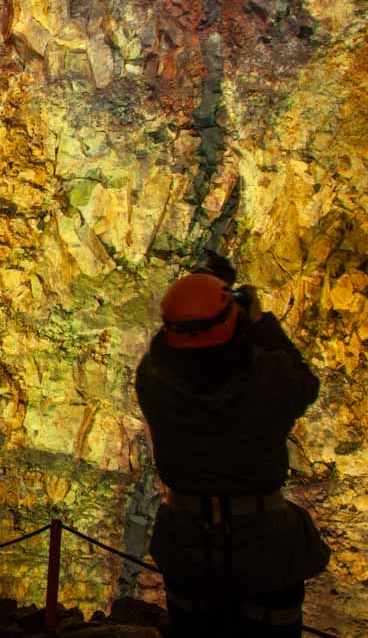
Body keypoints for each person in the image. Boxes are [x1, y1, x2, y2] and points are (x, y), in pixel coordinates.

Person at [135, 258, 330, 637]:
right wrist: (258, 324)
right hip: (265, 544)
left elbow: (176, 351)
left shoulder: (152, 380)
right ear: (230, 323)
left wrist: (210, 308)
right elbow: (305, 382)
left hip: (187, 542)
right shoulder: (267, 377)